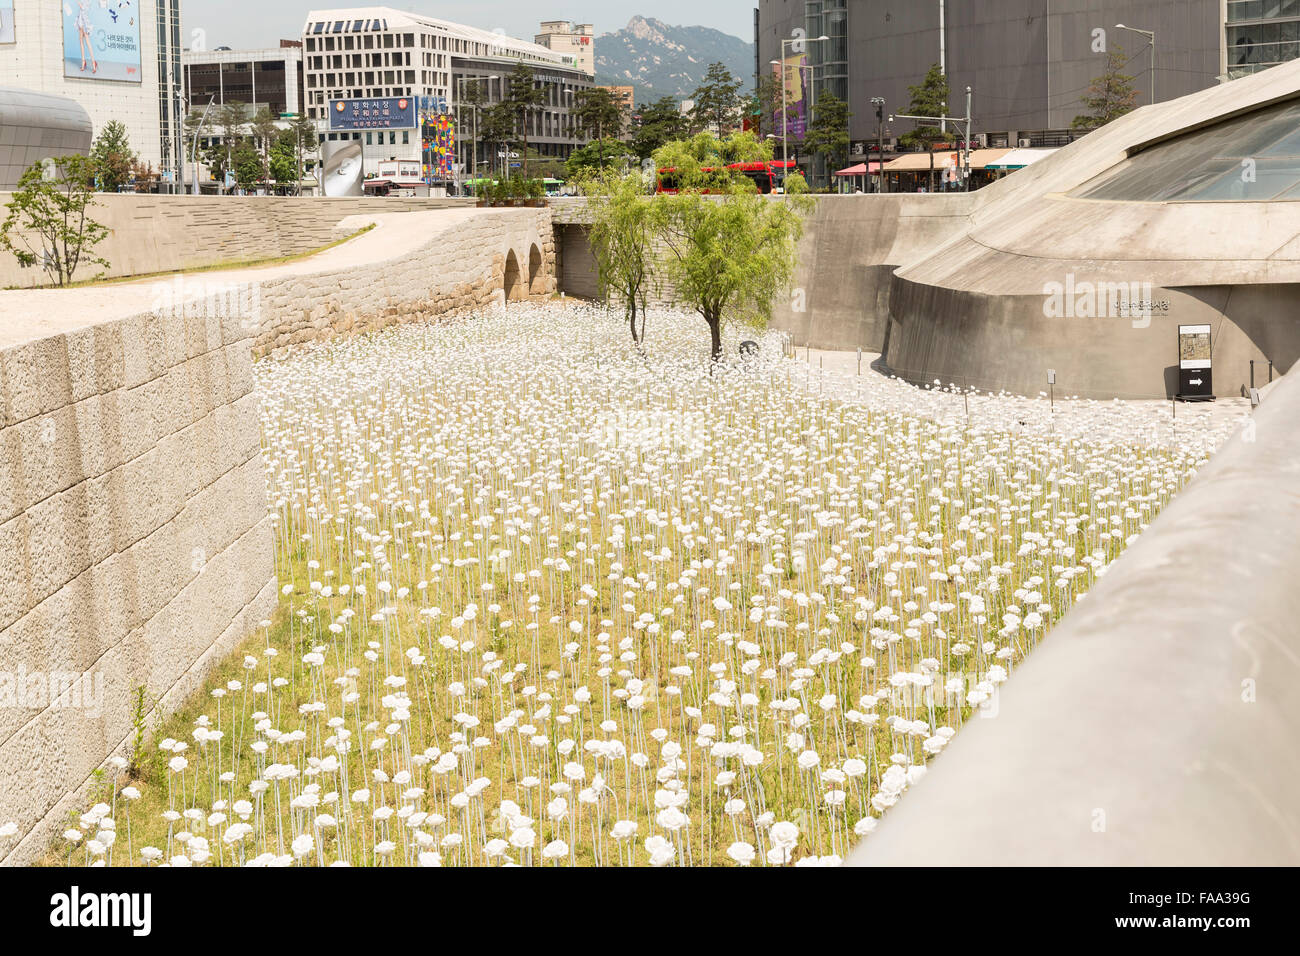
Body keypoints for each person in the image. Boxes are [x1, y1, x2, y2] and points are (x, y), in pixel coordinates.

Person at [75, 0, 98, 74]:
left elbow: (83, 8)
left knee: (88, 43)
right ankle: (83, 62)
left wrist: (78, 2)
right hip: (80, 20)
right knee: (81, 41)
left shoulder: (89, 1)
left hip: (85, 21)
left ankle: (93, 62)